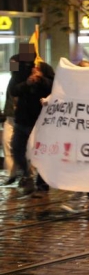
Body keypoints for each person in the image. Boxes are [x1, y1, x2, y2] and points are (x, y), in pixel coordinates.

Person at [11, 53, 55, 195]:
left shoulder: (45, 68)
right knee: (17, 149)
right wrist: (27, 83)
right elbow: (13, 90)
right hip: (22, 119)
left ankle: (42, 185)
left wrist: (41, 79)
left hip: (41, 119)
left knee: (41, 152)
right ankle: (26, 175)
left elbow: (55, 87)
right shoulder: (17, 70)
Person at [61, 59, 89, 213]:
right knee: (80, 163)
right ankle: (86, 196)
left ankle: (86, 198)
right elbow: (61, 99)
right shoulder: (74, 89)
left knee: (86, 163)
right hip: (78, 132)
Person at [2, 55, 19, 185]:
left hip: (21, 119)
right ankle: (12, 173)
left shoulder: (20, 80)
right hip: (9, 118)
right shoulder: (12, 79)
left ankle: (26, 173)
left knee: (23, 147)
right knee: (7, 144)